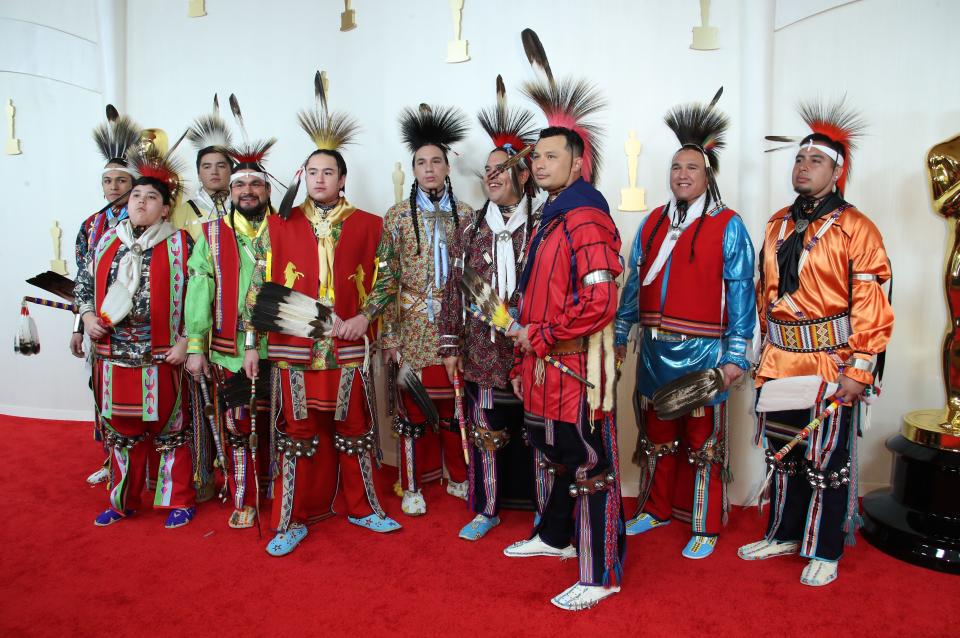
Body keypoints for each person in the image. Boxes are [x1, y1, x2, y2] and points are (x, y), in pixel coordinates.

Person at [738, 99, 893, 586]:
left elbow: (871, 305)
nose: (803, 167)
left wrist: (860, 370)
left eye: (816, 161)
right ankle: (783, 532)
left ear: (837, 171)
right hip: (779, 358)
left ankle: (824, 549)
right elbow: (765, 294)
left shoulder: (856, 229)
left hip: (830, 362)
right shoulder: (778, 223)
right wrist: (760, 350)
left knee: (826, 459)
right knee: (782, 453)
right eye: (799, 159)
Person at [244, 81, 401, 556]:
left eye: (327, 172)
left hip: (348, 348)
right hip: (293, 350)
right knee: (296, 434)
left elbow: (389, 279)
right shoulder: (277, 225)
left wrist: (366, 316)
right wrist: (251, 344)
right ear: (303, 176)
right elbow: (257, 291)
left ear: (341, 179)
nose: (318, 179)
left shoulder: (371, 224)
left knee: (355, 429)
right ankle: (290, 519)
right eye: (311, 171)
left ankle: (363, 507)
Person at [614, 93, 756, 559]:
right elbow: (634, 286)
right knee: (656, 439)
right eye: (676, 167)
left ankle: (706, 523)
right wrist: (619, 336)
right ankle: (655, 510)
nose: (681, 174)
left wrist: (736, 357)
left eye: (691, 168)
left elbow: (740, 293)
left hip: (704, 354)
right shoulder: (654, 222)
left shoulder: (728, 225)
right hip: (654, 352)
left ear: (707, 175)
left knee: (703, 445)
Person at [75, 148, 197, 528]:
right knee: (122, 434)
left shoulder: (182, 245)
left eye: (151, 197)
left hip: (164, 356)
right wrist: (88, 316)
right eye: (136, 196)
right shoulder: (106, 244)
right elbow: (82, 286)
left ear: (165, 209)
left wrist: (188, 342)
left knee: (171, 432)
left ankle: (178, 501)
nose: (141, 202)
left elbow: (198, 300)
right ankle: (122, 501)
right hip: (114, 357)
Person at [362, 104, 473, 516]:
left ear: (448, 167)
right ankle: (412, 485)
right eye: (421, 163)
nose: (429, 169)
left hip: (455, 329)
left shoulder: (468, 217)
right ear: (413, 170)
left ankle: (459, 477)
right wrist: (388, 337)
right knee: (413, 412)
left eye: (436, 161)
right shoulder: (395, 218)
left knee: (455, 408)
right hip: (411, 327)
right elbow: (386, 282)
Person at [441, 75, 539, 540]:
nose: (493, 177)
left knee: (540, 434)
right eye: (488, 170)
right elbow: (452, 290)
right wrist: (449, 344)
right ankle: (486, 507)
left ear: (523, 174)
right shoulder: (470, 230)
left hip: (533, 349)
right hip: (481, 349)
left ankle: (544, 509)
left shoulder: (543, 228)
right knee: (484, 432)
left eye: (503, 169)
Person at [184, 134, 273, 529]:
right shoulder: (211, 234)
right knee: (238, 424)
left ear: (268, 189)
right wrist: (195, 345)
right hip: (229, 348)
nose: (247, 191)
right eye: (239, 184)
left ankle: (278, 489)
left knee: (283, 425)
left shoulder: (286, 229)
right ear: (229, 190)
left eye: (255, 184)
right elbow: (199, 288)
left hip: (282, 347)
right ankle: (244, 497)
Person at [74, 105, 140, 485]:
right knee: (102, 392)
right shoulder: (91, 226)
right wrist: (81, 323)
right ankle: (109, 457)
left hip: (142, 329)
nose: (114, 187)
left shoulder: (146, 223)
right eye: (108, 181)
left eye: (121, 180)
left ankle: (144, 460)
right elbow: (82, 278)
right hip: (99, 325)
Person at [170, 98, 233, 241]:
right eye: (207, 166)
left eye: (221, 165)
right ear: (198, 173)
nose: (214, 171)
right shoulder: (181, 213)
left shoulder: (245, 208)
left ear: (231, 171)